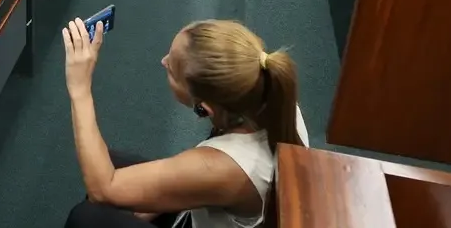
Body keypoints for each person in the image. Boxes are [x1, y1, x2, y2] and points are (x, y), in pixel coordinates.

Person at [61, 18, 308, 228]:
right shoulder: (275, 100)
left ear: (204, 108)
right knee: (110, 163)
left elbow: (104, 188)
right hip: (211, 203)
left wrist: (79, 87)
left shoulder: (225, 168)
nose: (163, 61)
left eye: (171, 70)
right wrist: (155, 199)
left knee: (85, 217)